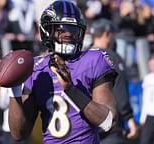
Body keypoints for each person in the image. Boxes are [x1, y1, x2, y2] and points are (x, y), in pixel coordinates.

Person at [8, 1, 118, 143]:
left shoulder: (93, 60)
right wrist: (14, 88)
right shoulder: (36, 68)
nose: (67, 34)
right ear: (47, 31)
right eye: (61, 29)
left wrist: (71, 90)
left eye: (72, 30)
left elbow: (108, 122)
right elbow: (18, 134)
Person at [90, 18, 138, 144]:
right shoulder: (112, 57)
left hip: (86, 127)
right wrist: (129, 117)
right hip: (110, 127)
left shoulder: (81, 56)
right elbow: (119, 90)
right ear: (107, 34)